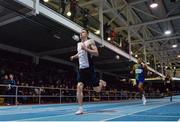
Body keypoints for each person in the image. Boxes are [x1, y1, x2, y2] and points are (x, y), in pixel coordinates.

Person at [70, 29, 106, 115]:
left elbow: (96, 53)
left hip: (89, 69)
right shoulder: (78, 44)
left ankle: (100, 82)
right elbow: (80, 53)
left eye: (83, 32)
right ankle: (80, 108)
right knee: (79, 86)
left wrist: (86, 49)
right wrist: (74, 56)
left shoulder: (90, 42)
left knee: (97, 90)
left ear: (87, 34)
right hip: (81, 70)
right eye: (80, 32)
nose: (81, 33)